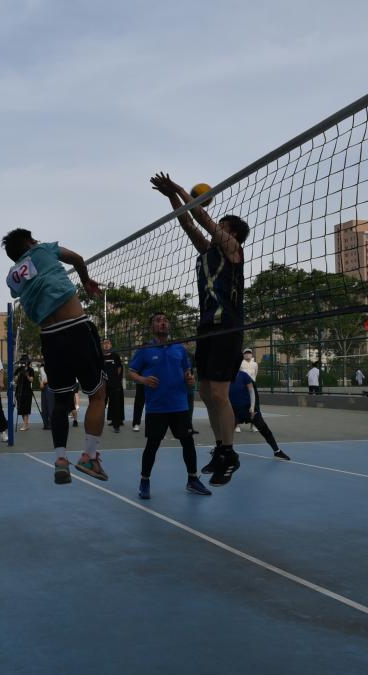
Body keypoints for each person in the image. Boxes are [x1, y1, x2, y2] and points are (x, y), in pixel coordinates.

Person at [151, 172, 248, 487]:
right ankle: (220, 448)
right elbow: (188, 222)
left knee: (219, 393)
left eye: (222, 224)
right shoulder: (208, 252)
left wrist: (181, 188)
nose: (217, 225)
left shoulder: (233, 248)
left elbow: (202, 219)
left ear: (231, 231)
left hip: (226, 326)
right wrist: (171, 196)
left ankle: (230, 453)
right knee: (205, 392)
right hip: (206, 327)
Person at [1, 228, 107, 484]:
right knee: (98, 394)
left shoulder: (12, 277)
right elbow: (77, 259)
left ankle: (60, 459)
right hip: (76, 328)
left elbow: (21, 283)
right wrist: (85, 281)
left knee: (61, 400)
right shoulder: (44, 249)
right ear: (30, 241)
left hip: (50, 338)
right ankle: (89, 457)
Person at [129, 313, 212, 499]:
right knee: (152, 445)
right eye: (158, 321)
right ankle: (144, 481)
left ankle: (192, 480)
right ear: (151, 327)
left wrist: (190, 379)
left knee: (188, 442)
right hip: (157, 406)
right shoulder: (145, 349)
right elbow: (131, 372)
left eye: (165, 320)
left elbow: (187, 372)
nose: (163, 323)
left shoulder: (179, 349)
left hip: (179, 405)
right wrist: (143, 380)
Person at [229, 370, 290, 461]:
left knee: (264, 429)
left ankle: (277, 451)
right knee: (228, 432)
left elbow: (252, 391)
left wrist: (252, 407)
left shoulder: (244, 375)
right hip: (233, 409)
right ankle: (225, 451)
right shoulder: (225, 377)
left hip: (248, 409)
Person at [102, 339, 125, 433]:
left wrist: (116, 379)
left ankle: (116, 425)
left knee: (116, 405)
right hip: (103, 385)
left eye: (108, 343)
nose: (106, 345)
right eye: (104, 343)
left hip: (114, 385)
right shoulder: (100, 356)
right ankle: (98, 423)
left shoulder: (115, 355)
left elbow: (119, 367)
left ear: (111, 345)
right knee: (101, 405)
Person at [14, 356, 36, 431]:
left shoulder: (30, 370)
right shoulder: (18, 369)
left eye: (25, 361)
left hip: (27, 391)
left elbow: (31, 380)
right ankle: (26, 424)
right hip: (19, 391)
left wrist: (27, 376)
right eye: (23, 362)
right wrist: (18, 375)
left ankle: (25, 425)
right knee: (20, 408)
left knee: (26, 408)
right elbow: (15, 380)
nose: (24, 363)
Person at [38, 362, 53, 429]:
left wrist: (44, 382)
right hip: (43, 387)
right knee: (44, 406)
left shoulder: (52, 365)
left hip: (50, 386)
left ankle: (51, 424)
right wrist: (41, 382)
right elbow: (40, 377)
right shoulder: (41, 368)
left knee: (50, 405)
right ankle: (45, 424)